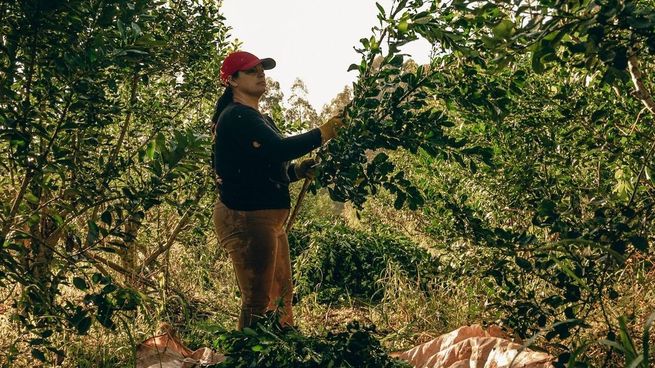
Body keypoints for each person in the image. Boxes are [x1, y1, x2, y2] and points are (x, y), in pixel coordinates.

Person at [210, 51, 341, 329]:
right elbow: (280, 148)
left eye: (262, 69)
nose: (260, 74)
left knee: (281, 295)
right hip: (245, 217)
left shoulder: (260, 119)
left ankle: (283, 346)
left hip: (269, 221)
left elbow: (270, 166)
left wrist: (298, 171)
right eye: (251, 70)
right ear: (232, 80)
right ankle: (246, 356)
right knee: (257, 300)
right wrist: (323, 133)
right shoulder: (236, 116)